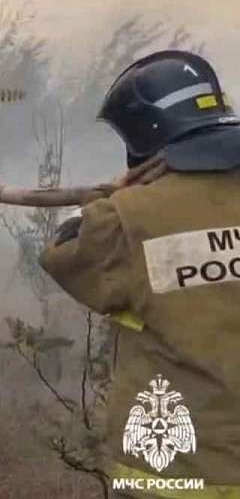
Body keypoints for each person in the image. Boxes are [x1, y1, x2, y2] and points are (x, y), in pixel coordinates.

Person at [40, 50, 240, 498]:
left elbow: (59, 250)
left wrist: (119, 191)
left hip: (177, 471)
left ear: (143, 138)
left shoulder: (126, 217)